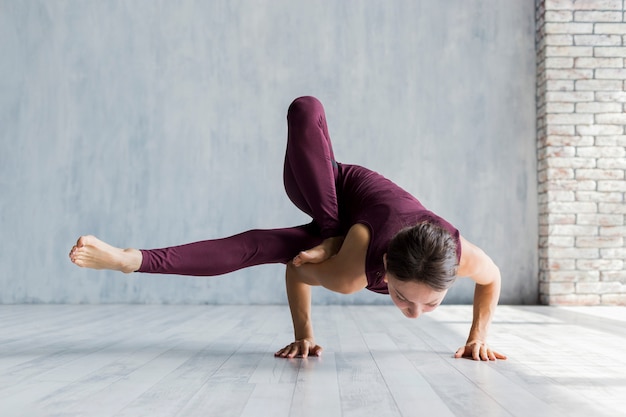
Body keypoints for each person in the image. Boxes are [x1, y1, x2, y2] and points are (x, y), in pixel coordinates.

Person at [69, 96, 506, 362]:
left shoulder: (455, 253)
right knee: (306, 107)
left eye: (430, 305)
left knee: (255, 246)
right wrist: (305, 330)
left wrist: (478, 337)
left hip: (348, 232)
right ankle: (332, 231)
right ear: (386, 267)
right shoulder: (356, 269)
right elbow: (297, 269)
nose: (413, 314)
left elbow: (491, 278)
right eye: (402, 298)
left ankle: (132, 260)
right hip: (318, 184)